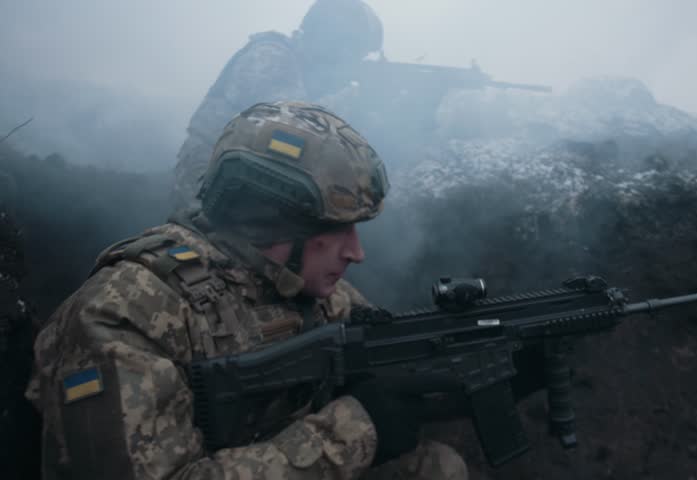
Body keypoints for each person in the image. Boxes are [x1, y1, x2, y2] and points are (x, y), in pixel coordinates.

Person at [26, 101, 468, 479]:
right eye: (338, 230)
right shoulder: (124, 313)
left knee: (435, 467)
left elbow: (400, 384)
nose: (356, 252)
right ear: (274, 224)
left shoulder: (308, 290)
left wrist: (480, 375)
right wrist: (354, 428)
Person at [173, 0, 383, 210]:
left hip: (249, 168)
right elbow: (295, 124)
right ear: (328, 37)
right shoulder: (271, 55)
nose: (350, 59)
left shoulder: (308, 70)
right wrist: (350, 98)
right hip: (212, 166)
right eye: (351, 49)